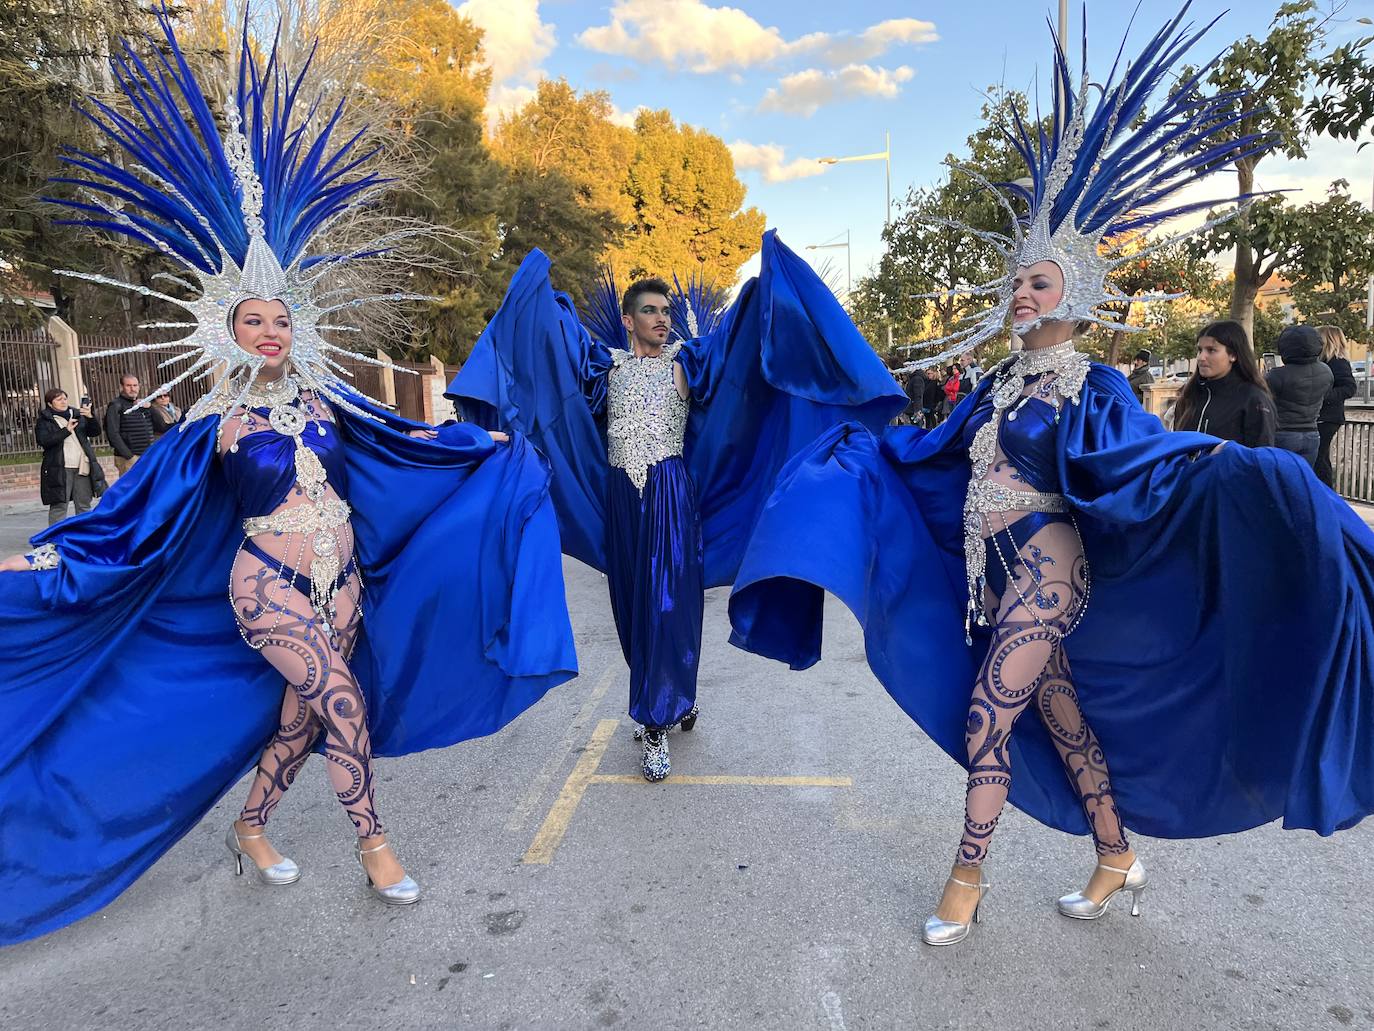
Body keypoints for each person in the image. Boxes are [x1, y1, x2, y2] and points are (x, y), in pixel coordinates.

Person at [728, 6, 1374, 949]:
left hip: (1049, 573)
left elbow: (1134, 463)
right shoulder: (996, 383)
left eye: (1036, 283)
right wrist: (853, 446)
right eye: (1015, 282)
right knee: (1065, 725)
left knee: (988, 715)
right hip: (998, 581)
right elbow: (930, 452)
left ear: (1070, 291)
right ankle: (1115, 849)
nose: (1018, 294)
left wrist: (1237, 470)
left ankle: (966, 879)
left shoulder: (1092, 381)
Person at [0, 12, 576, 947]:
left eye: (280, 319)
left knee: (302, 727)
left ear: (295, 324)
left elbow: (411, 442)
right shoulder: (211, 426)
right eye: (253, 320)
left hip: (340, 584)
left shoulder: (330, 403)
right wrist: (51, 560)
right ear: (228, 328)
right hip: (266, 587)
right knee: (341, 701)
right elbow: (132, 515)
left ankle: (251, 823)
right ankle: (376, 844)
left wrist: (493, 451)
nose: (270, 332)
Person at [449, 234, 906, 781]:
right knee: (632, 606)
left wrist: (766, 284)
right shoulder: (607, 371)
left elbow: (743, 342)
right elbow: (549, 347)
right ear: (627, 319)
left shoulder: (686, 366)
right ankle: (668, 693)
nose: (662, 319)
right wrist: (537, 288)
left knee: (671, 607)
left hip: (670, 495)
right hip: (622, 497)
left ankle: (654, 721)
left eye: (666, 311)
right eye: (650, 311)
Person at [1171, 322, 1276, 447]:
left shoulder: (1253, 399)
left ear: (1233, 355)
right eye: (1200, 350)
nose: (1201, 357)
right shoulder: (1189, 396)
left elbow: (1260, 455)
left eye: (1211, 350)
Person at [35, 387, 106, 525]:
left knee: (84, 504)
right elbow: (44, 441)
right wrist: (65, 431)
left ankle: (84, 536)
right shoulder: (45, 420)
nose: (63, 401)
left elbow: (95, 432)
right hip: (60, 468)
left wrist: (90, 417)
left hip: (82, 465)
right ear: (50, 403)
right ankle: (56, 538)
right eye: (58, 399)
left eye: (65, 398)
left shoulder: (77, 415)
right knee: (59, 506)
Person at [1266, 324, 1332, 468]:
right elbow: (1326, 394)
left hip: (1283, 433)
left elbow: (1263, 401)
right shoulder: (1326, 371)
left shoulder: (1276, 375)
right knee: (1301, 481)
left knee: (1279, 481)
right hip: (1312, 434)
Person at [1316, 325, 1357, 488]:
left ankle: (1326, 493)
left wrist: (1321, 396)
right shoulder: (1326, 361)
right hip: (1324, 416)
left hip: (1328, 417)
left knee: (1319, 458)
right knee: (1321, 457)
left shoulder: (1338, 362)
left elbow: (1349, 388)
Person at [104, 373, 154, 475]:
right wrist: (129, 456)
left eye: (135, 385)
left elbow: (160, 425)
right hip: (129, 458)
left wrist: (150, 407)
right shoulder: (116, 405)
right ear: (122, 387)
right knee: (131, 488)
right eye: (128, 385)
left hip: (147, 454)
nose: (132, 389)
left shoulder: (142, 404)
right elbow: (112, 433)